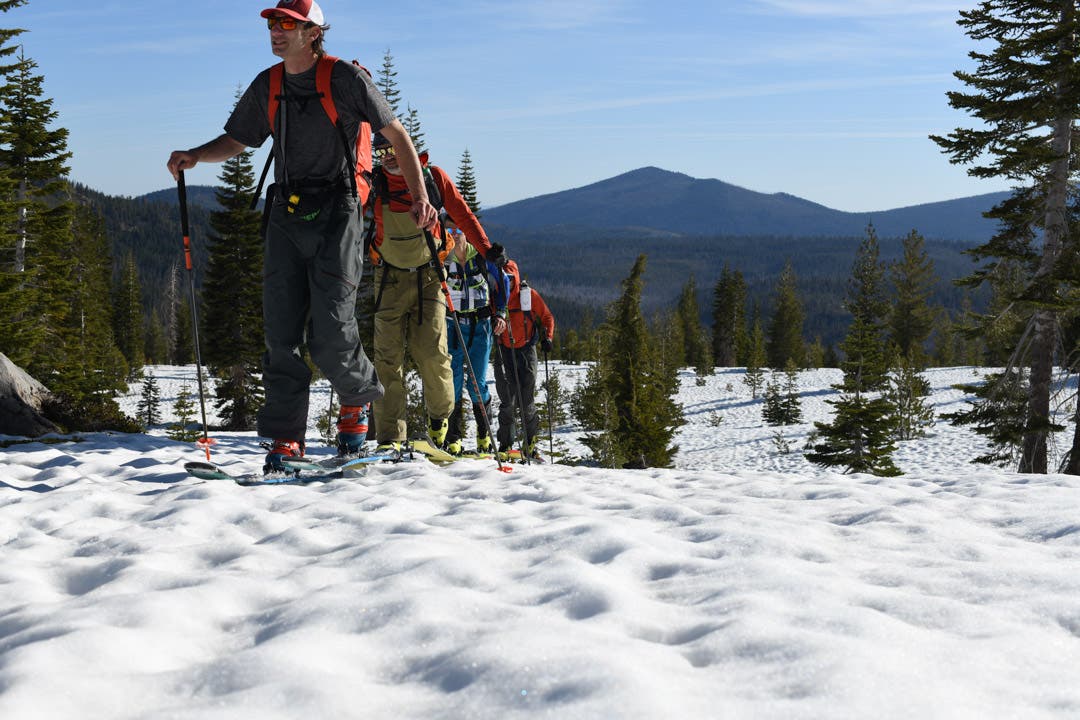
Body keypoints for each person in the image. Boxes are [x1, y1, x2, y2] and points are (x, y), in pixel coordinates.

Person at [166, 0, 437, 473]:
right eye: (273, 23)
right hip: (286, 213)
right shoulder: (269, 84)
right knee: (281, 334)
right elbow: (239, 139)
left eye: (288, 24)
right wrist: (195, 155)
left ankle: (355, 402)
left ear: (313, 32)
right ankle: (287, 440)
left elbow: (397, 137)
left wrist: (419, 197)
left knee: (331, 330)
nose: (277, 31)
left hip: (340, 211)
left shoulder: (345, 80)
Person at [367, 134, 505, 456]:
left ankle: (439, 418)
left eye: (393, 149)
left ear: (408, 150)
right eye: (381, 150)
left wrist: (486, 250)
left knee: (433, 354)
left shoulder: (434, 179)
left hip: (429, 277)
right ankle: (390, 438)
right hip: (387, 278)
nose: (387, 156)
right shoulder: (374, 183)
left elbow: (462, 214)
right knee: (387, 361)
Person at [442, 219, 510, 455]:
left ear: (466, 233)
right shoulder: (443, 259)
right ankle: (453, 438)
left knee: (477, 383)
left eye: (459, 230)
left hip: (480, 325)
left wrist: (501, 313)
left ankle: (484, 435)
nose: (455, 234)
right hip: (451, 325)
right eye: (450, 230)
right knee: (453, 382)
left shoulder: (481, 258)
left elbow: (504, 282)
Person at [493, 257, 555, 462]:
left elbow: (547, 317)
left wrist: (548, 337)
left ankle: (531, 443)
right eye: (505, 279)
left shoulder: (528, 296)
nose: (508, 283)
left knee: (526, 400)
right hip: (504, 351)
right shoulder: (495, 296)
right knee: (507, 400)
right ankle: (505, 444)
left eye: (511, 279)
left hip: (526, 351)